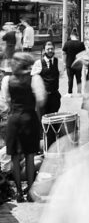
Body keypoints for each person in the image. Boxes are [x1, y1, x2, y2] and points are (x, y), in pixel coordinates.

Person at [0, 52, 46, 200]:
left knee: (14, 156)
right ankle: (30, 193)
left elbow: (5, 102)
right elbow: (41, 99)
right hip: (29, 118)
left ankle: (19, 192)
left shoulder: (7, 80)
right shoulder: (34, 79)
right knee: (30, 155)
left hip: (14, 118)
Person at [33, 41, 61, 117]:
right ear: (44, 50)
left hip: (55, 96)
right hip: (43, 97)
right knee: (43, 119)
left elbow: (60, 74)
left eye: (52, 49)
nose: (50, 51)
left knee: (54, 119)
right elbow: (34, 79)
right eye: (48, 49)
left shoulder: (59, 62)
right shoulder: (38, 63)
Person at [62, 29, 86, 94]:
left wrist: (64, 63)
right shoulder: (81, 44)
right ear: (77, 36)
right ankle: (79, 92)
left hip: (69, 64)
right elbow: (83, 54)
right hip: (78, 64)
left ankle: (70, 93)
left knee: (70, 79)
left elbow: (64, 53)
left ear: (71, 36)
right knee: (79, 79)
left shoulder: (67, 43)